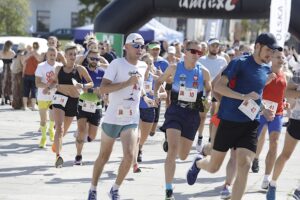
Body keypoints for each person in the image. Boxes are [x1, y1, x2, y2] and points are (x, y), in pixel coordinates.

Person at [186, 32, 279, 200]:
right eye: (268, 50)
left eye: (273, 52)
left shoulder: (266, 70)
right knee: (214, 167)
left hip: (250, 123)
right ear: (257, 46)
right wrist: (243, 97)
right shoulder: (239, 63)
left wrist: (264, 109)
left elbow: (255, 95)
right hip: (229, 121)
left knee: (245, 164)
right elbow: (219, 88)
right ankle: (199, 162)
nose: (270, 55)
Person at [87, 33, 154, 200]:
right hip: (112, 118)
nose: (140, 49)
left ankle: (115, 189)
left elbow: (139, 86)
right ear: (127, 47)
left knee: (130, 156)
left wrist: (146, 97)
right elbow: (103, 89)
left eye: (142, 46)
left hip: (131, 119)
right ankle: (93, 188)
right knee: (104, 156)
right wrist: (126, 83)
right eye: (137, 45)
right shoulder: (117, 64)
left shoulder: (144, 66)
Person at [153, 40, 211, 199]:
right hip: (175, 111)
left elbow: (209, 90)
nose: (196, 55)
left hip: (192, 115)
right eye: (193, 51)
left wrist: (207, 101)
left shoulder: (203, 72)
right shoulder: (174, 67)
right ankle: (168, 190)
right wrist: (156, 94)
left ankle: (196, 162)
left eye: (199, 53)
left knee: (183, 155)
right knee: (172, 150)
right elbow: (159, 81)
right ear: (185, 52)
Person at [48, 42, 93, 168]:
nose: (73, 56)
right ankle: (58, 156)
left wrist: (83, 86)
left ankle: (56, 144)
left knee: (64, 131)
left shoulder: (80, 69)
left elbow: (91, 83)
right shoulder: (58, 69)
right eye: (70, 54)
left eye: (74, 54)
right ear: (65, 56)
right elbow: (53, 82)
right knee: (59, 128)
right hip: (60, 98)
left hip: (74, 101)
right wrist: (48, 87)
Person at [250, 50, 287, 191]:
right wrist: (266, 80)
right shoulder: (264, 71)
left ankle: (266, 178)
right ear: (271, 58)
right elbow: (254, 91)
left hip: (276, 114)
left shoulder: (286, 75)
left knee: (274, 144)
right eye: (278, 57)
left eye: (282, 57)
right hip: (260, 111)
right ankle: (247, 165)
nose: (280, 59)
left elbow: (282, 94)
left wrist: (284, 103)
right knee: (252, 142)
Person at [266, 55, 300, 200]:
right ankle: (272, 185)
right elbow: (287, 91)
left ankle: (298, 190)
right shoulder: (299, 72)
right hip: (297, 118)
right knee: (286, 154)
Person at [74, 49, 105, 165]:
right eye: (92, 58)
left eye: (97, 59)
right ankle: (78, 155)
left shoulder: (102, 72)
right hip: (82, 104)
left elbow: (105, 88)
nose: (95, 61)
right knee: (81, 131)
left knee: (92, 136)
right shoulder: (82, 70)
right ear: (87, 58)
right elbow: (77, 85)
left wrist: (103, 93)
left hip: (96, 106)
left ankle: (81, 138)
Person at [196, 38, 227, 152]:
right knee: (203, 116)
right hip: (205, 92)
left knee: (214, 115)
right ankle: (199, 137)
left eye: (217, 46)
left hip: (217, 92)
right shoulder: (201, 60)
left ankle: (211, 139)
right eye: (213, 45)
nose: (215, 48)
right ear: (208, 46)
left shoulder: (223, 60)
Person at [35, 47, 61, 148]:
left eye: (54, 55)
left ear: (56, 55)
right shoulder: (41, 66)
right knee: (43, 119)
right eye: (50, 54)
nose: (52, 57)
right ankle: (43, 137)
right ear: (46, 55)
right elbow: (37, 83)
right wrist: (48, 87)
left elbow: (60, 82)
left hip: (54, 96)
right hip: (42, 96)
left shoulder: (59, 66)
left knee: (52, 117)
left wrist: (52, 87)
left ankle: (51, 129)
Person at [22, 42, 41, 111]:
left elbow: (23, 62)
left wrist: (23, 74)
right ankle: (33, 107)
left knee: (26, 91)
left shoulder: (28, 54)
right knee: (34, 91)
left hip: (27, 74)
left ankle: (25, 106)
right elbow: (40, 60)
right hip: (34, 75)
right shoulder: (38, 54)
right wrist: (34, 54)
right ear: (38, 47)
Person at [11, 43, 26, 109]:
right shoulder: (21, 55)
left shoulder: (16, 55)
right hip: (19, 73)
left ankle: (15, 104)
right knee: (20, 89)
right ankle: (20, 105)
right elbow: (23, 65)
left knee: (15, 89)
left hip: (14, 73)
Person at [0, 40, 15, 105]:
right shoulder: (12, 53)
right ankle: (11, 100)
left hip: (4, 70)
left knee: (3, 85)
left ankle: (3, 100)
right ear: (10, 45)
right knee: (10, 85)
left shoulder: (1, 52)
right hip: (10, 70)